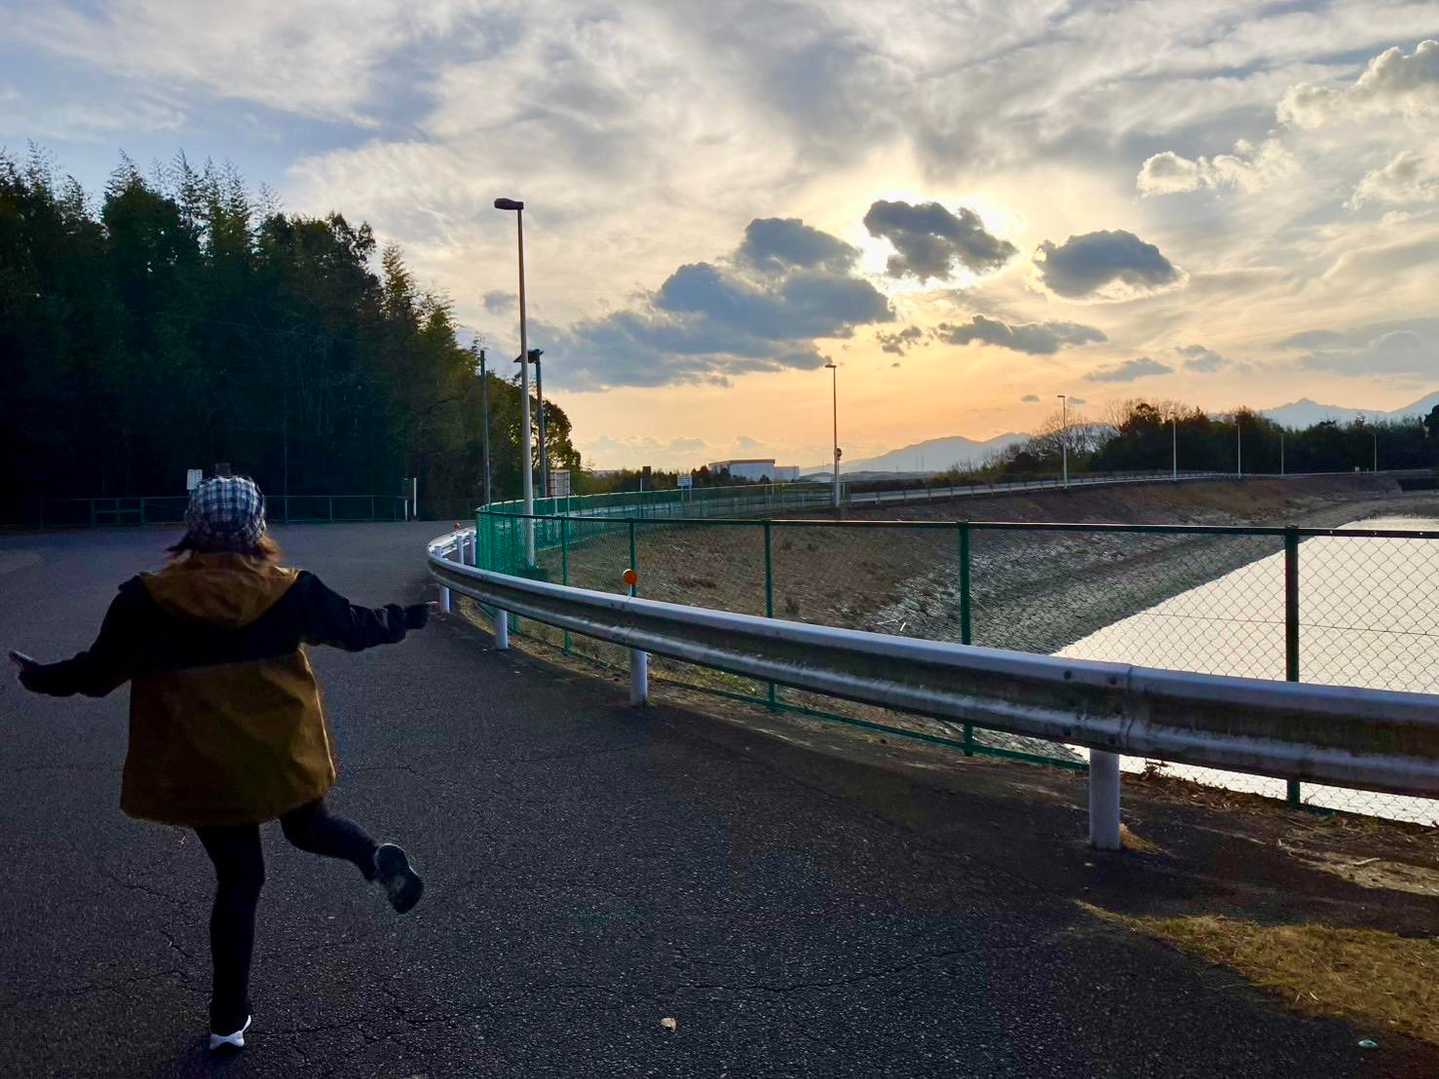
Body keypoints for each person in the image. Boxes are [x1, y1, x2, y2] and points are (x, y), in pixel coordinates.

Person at [11, 476, 430, 1053]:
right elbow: (356, 628)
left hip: (204, 763)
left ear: (193, 528)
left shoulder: (146, 599)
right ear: (258, 528)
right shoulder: (292, 590)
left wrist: (39, 677)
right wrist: (407, 617)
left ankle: (228, 1022)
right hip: (281, 755)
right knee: (310, 826)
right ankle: (372, 857)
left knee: (239, 878)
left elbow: (96, 673)